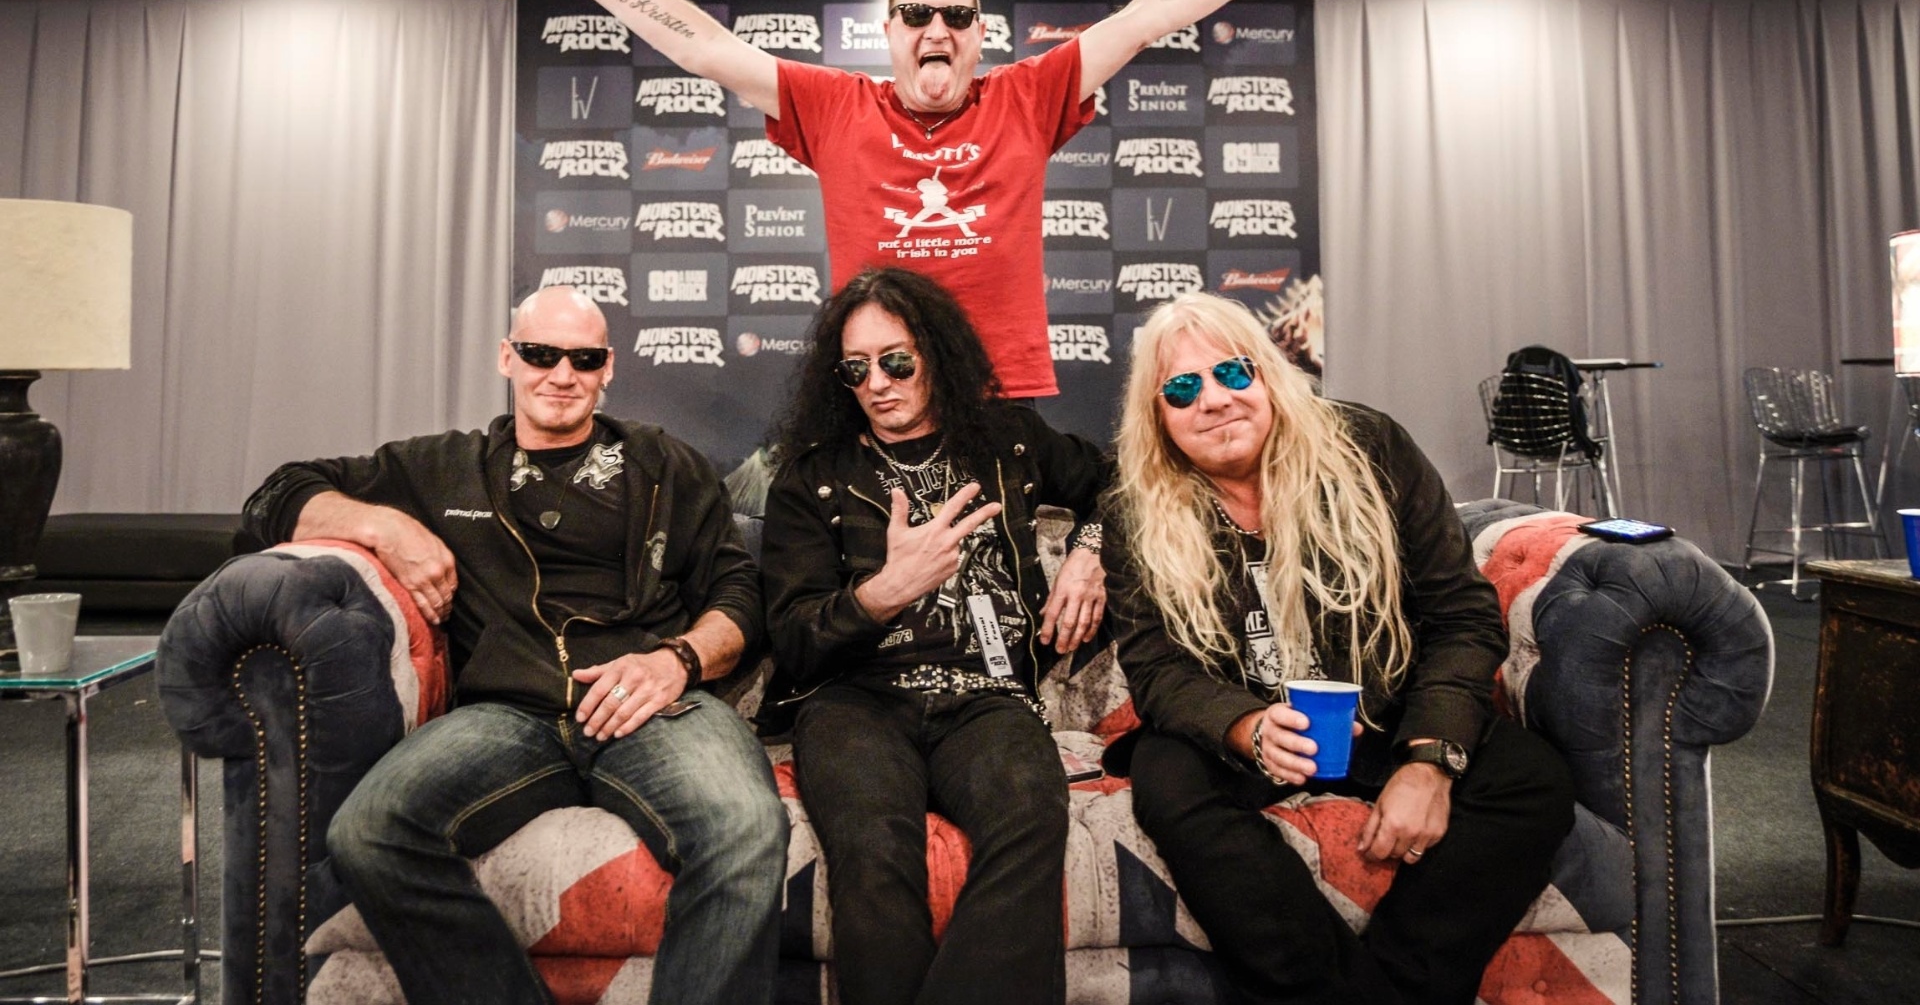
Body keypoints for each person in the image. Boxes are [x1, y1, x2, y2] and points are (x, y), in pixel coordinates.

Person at [476, 0, 1364, 398]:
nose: (936, 26)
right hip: (874, 391)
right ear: (890, 30)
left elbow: (1142, 21)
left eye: (957, 13)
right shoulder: (835, 104)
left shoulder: (1028, 95)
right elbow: (705, 45)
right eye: (916, 12)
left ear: (982, 34)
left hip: (994, 395)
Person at [238, 286, 788, 1005]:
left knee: (747, 829)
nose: (561, 373)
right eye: (540, 353)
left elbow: (739, 594)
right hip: (507, 714)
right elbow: (276, 496)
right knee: (369, 833)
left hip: (651, 703)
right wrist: (387, 528)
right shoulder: (442, 468)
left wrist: (674, 660)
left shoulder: (664, 464)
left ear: (607, 369)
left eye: (583, 358)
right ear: (508, 356)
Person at [1102, 293, 1575, 1005]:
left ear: (1267, 376)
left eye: (1232, 373)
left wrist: (1429, 758)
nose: (1214, 400)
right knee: (1167, 776)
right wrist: (1244, 726)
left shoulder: (1370, 449)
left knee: (1532, 778)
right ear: (1159, 419)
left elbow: (1461, 615)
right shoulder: (1135, 509)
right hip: (1247, 731)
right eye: (1181, 388)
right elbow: (1157, 669)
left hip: (1382, 711)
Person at [757, 266, 1110, 1005]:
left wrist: (1089, 550)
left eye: (896, 360)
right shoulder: (812, 478)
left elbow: (1121, 482)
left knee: (1031, 822)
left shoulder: (1009, 441)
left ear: (936, 353)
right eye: (856, 368)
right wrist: (886, 591)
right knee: (875, 858)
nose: (878, 382)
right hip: (855, 700)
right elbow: (793, 638)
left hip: (987, 697)